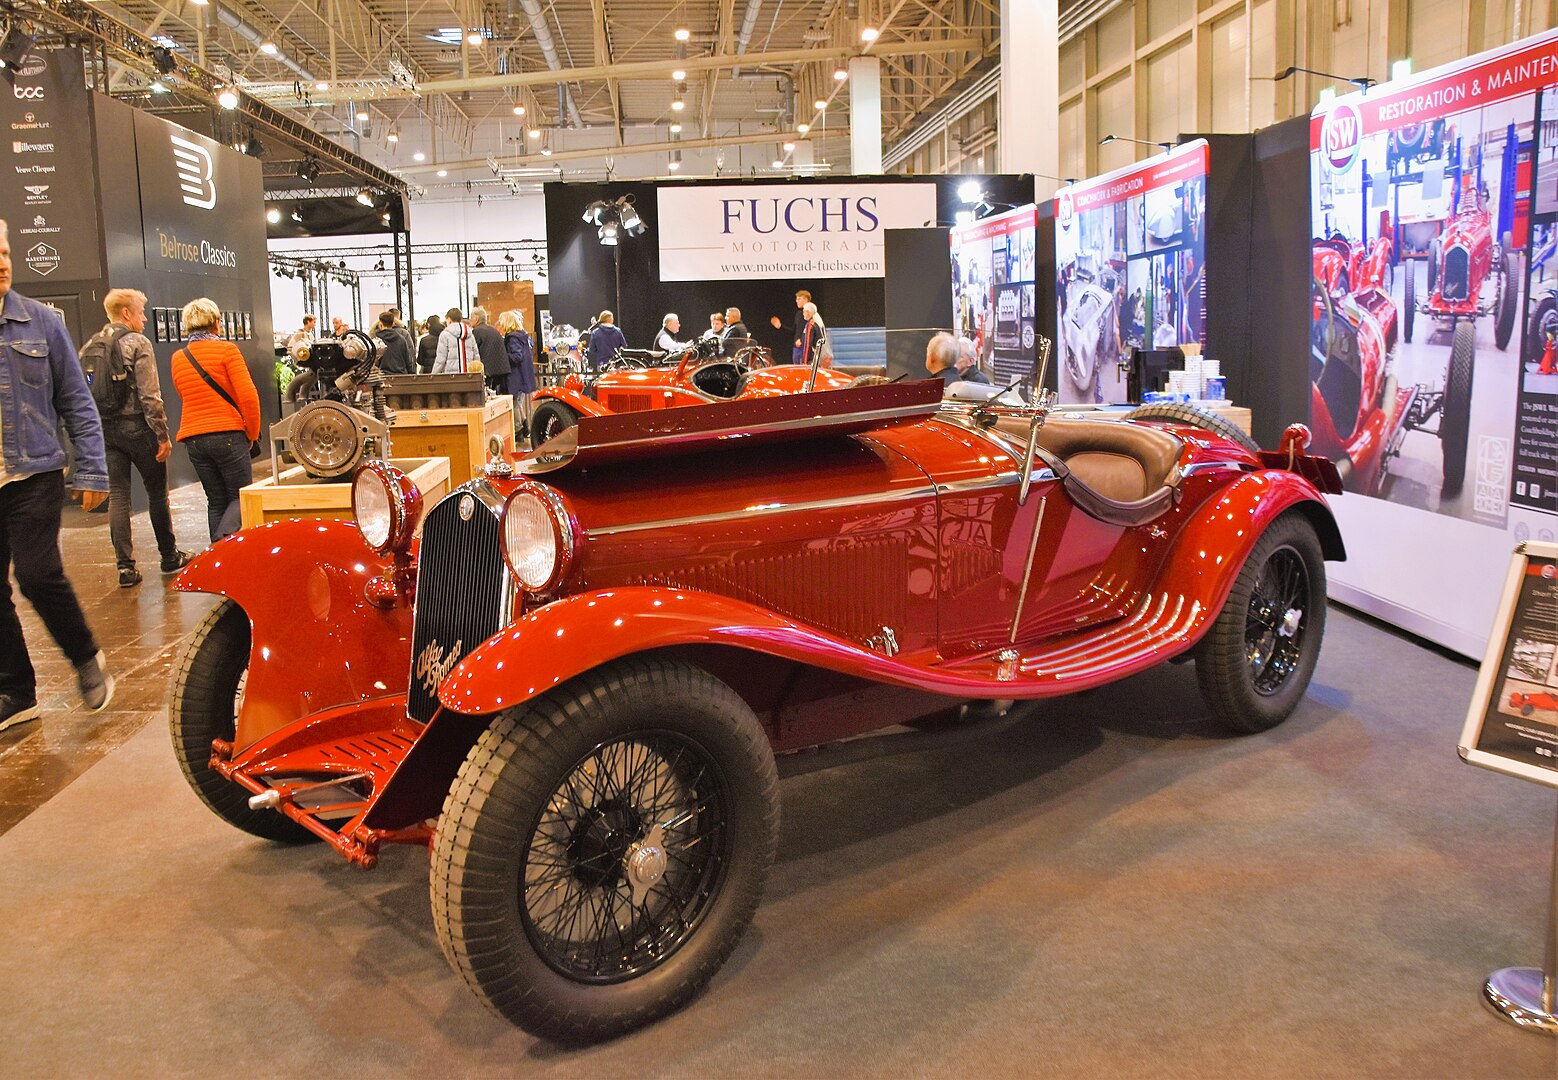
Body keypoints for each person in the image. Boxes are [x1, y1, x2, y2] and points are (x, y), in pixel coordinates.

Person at [0, 219, 115, 730]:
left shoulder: (41, 322)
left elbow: (76, 400)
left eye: (4, 252)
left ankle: (85, 656)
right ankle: (16, 691)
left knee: (36, 573)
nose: (3, 262)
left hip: (34, 473)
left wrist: (91, 469)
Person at [86, 288, 191, 587]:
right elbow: (149, 395)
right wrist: (162, 435)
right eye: (141, 312)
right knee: (157, 493)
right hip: (138, 428)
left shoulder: (91, 345)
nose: (145, 318)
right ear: (126, 313)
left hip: (106, 430)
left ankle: (125, 567)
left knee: (119, 496)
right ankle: (169, 556)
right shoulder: (138, 343)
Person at [171, 297, 262, 543]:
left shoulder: (179, 357)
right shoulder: (227, 351)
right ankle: (228, 545)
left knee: (216, 500)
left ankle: (217, 552)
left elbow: (184, 394)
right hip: (228, 434)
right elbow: (248, 397)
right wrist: (252, 433)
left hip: (194, 439)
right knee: (239, 497)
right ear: (215, 323)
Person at [498, 310, 536, 438]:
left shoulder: (512, 338)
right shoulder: (522, 336)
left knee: (514, 403)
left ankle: (518, 430)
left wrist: (503, 356)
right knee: (517, 403)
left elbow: (516, 357)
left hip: (515, 376)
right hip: (522, 375)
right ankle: (525, 428)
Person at [470, 306, 509, 393]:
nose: (469, 321)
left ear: (476, 319)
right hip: (501, 371)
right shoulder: (494, 330)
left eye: (471, 318)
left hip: (487, 372)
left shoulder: (476, 332)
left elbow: (474, 352)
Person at [770, 289, 811, 361]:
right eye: (796, 299)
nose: (796, 301)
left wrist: (802, 340)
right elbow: (793, 331)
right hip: (796, 349)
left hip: (805, 348)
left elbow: (811, 331)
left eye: (799, 299)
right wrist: (780, 326)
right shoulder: (798, 314)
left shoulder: (811, 314)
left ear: (806, 300)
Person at [433, 308, 474, 374]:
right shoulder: (470, 334)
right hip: (469, 376)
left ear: (449, 319)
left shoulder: (444, 335)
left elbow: (440, 359)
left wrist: (433, 375)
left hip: (451, 377)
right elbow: (476, 356)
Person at [373, 310, 414, 374]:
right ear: (393, 323)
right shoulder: (401, 339)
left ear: (380, 324)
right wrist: (412, 374)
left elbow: (374, 362)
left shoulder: (376, 340)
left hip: (383, 377)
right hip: (401, 376)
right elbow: (408, 361)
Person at [800, 301, 831, 367]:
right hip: (818, 358)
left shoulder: (810, 325)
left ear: (808, 312)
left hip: (813, 359)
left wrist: (804, 362)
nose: (803, 314)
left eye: (804, 311)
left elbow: (807, 344)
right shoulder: (818, 323)